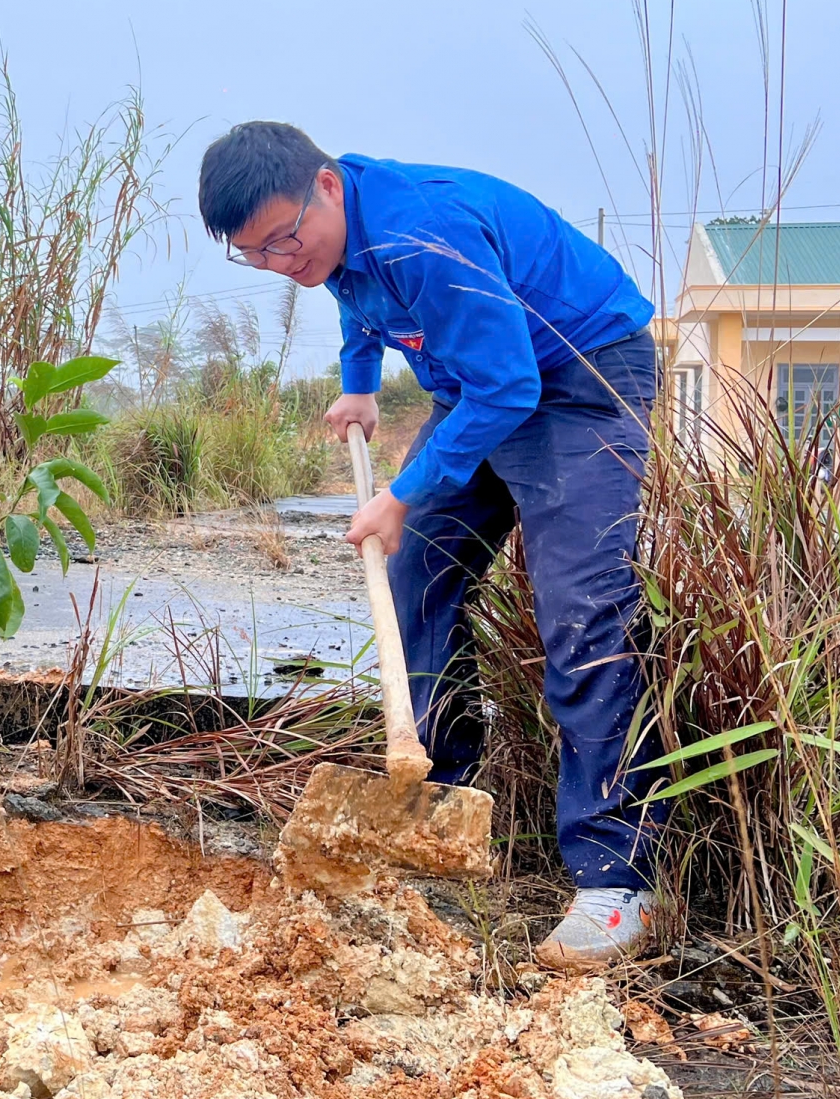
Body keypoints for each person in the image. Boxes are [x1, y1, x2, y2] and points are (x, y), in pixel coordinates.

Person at [198, 121, 664, 970]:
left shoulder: (423, 234)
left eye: (284, 240)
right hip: (479, 389)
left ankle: (618, 879)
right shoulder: (334, 242)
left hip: (580, 376)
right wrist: (359, 387)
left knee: (582, 612)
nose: (280, 264)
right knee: (414, 574)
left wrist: (402, 491)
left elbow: (513, 383)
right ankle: (434, 789)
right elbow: (352, 294)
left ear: (328, 187)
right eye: (255, 255)